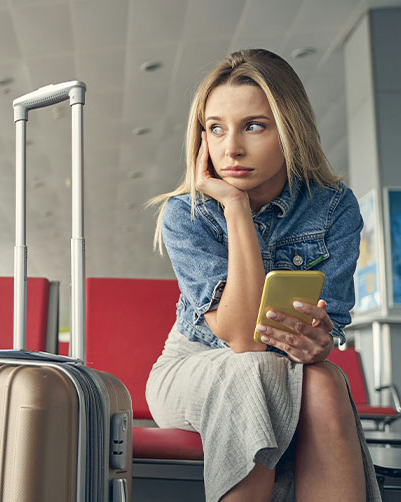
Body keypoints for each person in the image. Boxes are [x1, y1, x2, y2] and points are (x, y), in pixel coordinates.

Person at [145, 49, 380, 501]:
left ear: (289, 130)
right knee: (254, 368)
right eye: (215, 128)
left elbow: (327, 324)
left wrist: (320, 342)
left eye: (254, 126)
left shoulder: (333, 206)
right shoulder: (187, 212)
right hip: (193, 365)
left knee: (327, 378)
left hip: (285, 367)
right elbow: (242, 338)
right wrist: (235, 209)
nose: (230, 147)